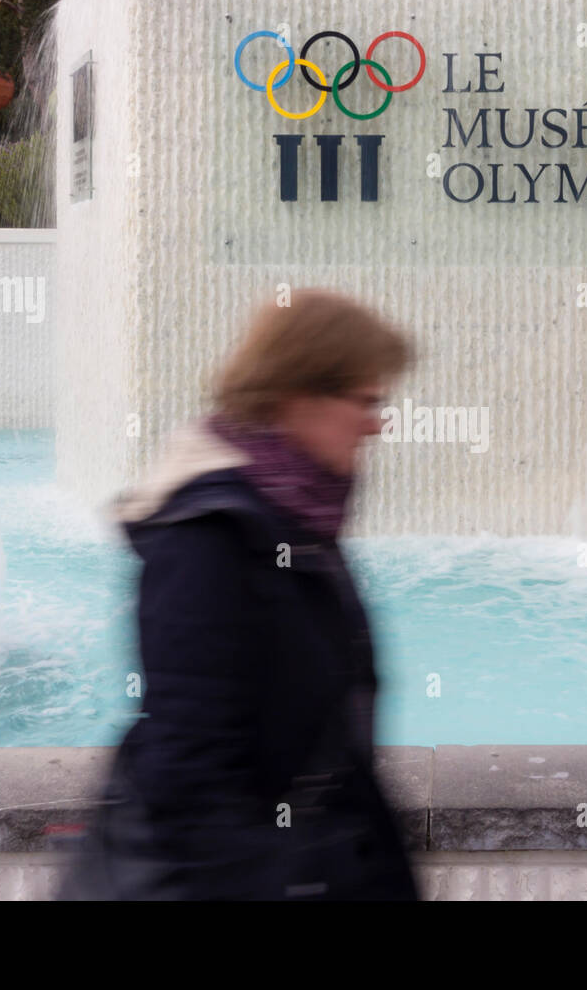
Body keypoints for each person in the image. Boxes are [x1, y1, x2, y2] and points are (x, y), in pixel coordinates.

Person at [59, 289, 418, 901]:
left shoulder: (298, 519)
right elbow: (192, 772)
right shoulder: (208, 536)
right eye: (364, 400)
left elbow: (336, 749)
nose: (377, 422)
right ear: (299, 396)